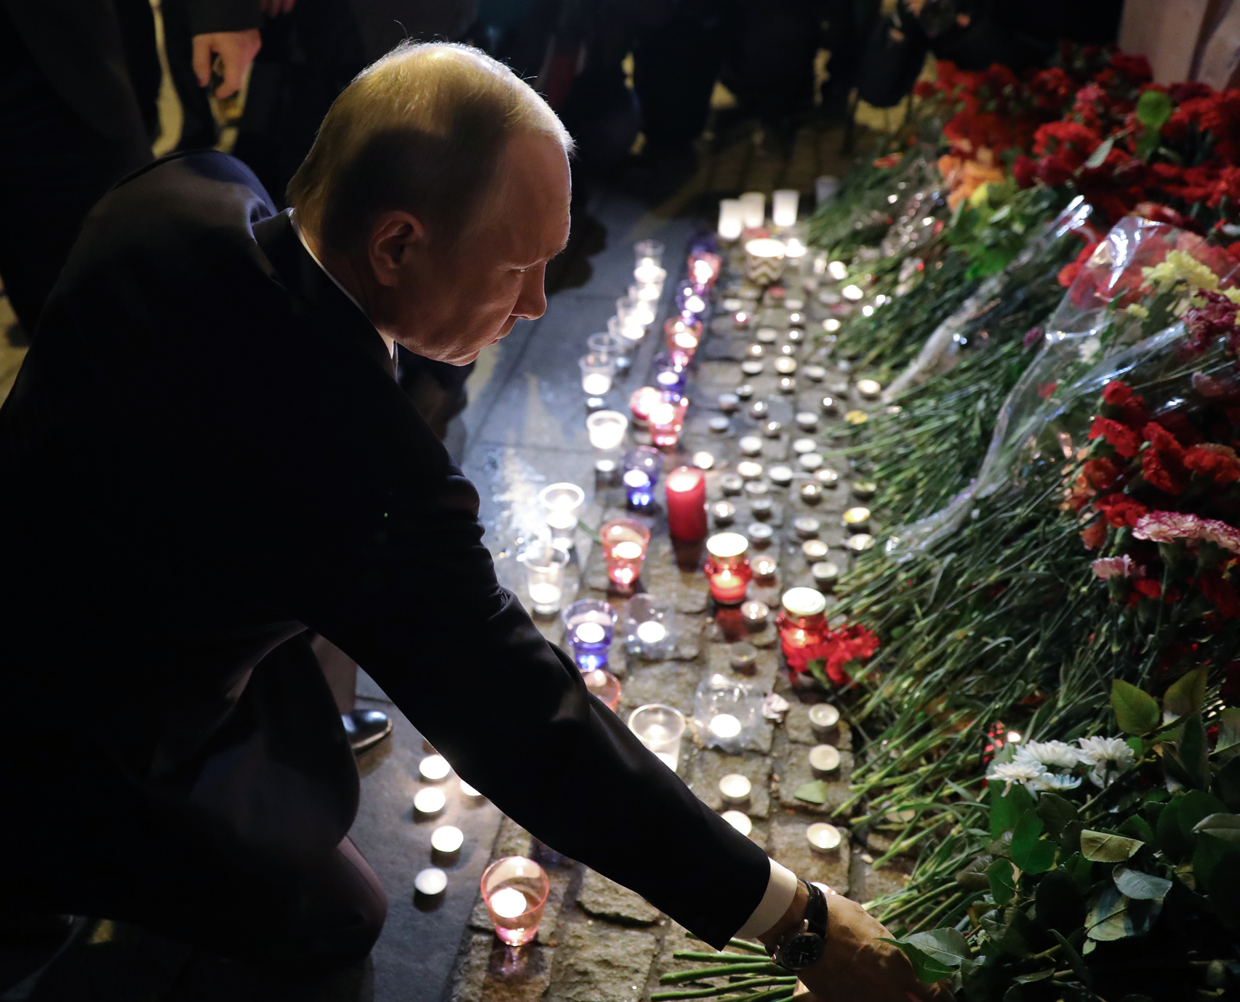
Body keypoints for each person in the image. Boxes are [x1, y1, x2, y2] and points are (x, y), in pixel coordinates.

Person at [0, 42, 948, 1000]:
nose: (536, 304)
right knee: (335, 920)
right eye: (517, 268)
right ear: (397, 244)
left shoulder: (184, 197)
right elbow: (531, 727)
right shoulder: (360, 463)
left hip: (77, 575)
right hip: (74, 741)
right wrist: (798, 923)